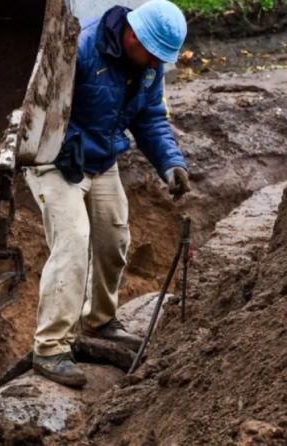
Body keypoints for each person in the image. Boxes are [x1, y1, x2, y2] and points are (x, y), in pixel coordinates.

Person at [24, 0, 190, 388]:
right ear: (133, 35)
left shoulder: (150, 67)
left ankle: (99, 322)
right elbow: (40, 109)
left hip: (101, 159)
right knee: (73, 241)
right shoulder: (79, 49)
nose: (155, 64)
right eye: (153, 55)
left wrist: (171, 163)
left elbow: (150, 118)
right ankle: (49, 348)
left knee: (114, 237)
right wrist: (64, 151)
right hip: (56, 159)